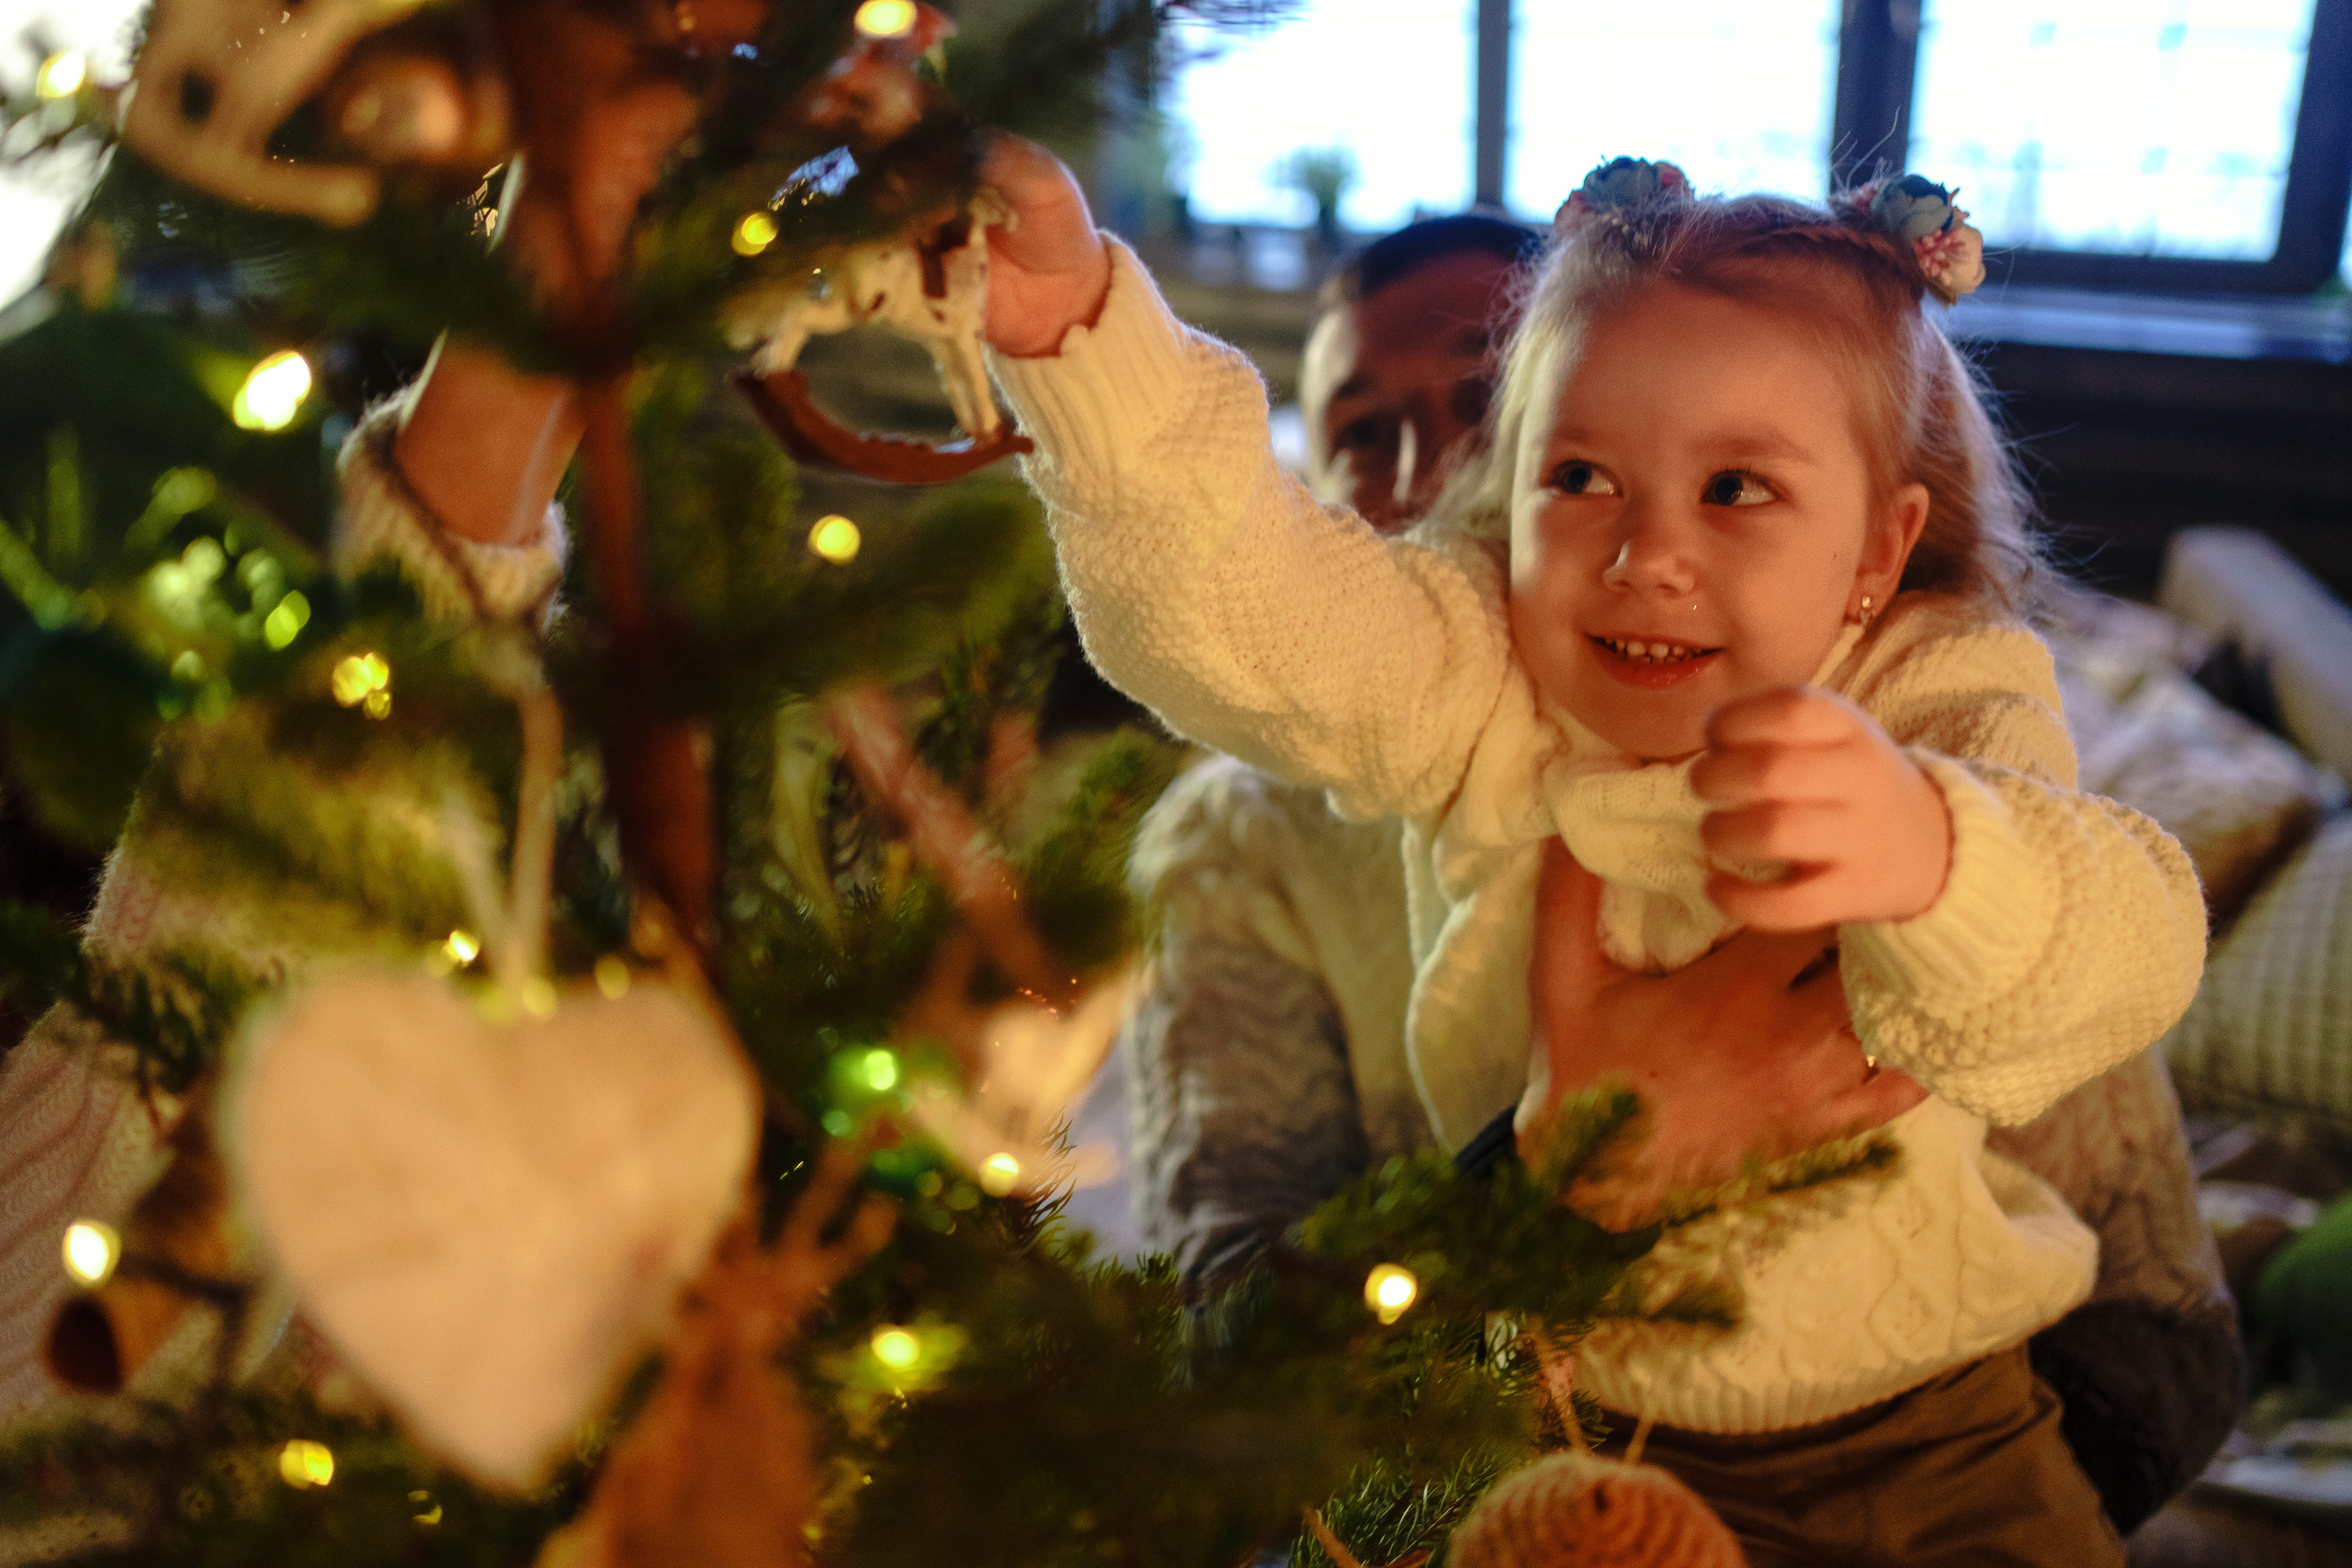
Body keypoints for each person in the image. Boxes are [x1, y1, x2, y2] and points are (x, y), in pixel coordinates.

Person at [978, 143, 2211, 1563]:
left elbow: (2128, 943)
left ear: (1881, 546)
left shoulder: (1935, 693)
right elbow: (1253, 607)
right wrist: (1082, 340)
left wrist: (1938, 852)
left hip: (1937, 1429)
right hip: (1566, 1416)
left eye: (1737, 487)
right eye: (1578, 475)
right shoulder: (1477, 672)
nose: (1642, 559)